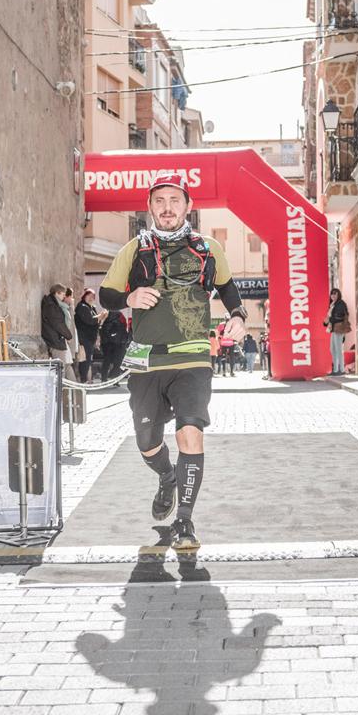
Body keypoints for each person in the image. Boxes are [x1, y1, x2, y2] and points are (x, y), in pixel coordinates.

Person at [99, 172, 246, 549]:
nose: (167, 208)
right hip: (147, 362)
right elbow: (107, 295)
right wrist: (129, 299)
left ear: (188, 206)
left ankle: (184, 521)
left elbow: (229, 289)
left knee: (190, 433)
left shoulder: (208, 247)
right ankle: (167, 476)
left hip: (194, 359)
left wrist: (238, 317)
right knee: (147, 442)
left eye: (174, 200)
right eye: (160, 201)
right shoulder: (135, 248)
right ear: (150, 207)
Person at [40, 284, 74, 372]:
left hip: (56, 339)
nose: (64, 296)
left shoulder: (54, 303)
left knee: (62, 367)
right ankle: (59, 385)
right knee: (60, 369)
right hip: (55, 340)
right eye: (63, 294)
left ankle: (63, 385)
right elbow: (58, 323)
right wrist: (69, 336)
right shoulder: (51, 305)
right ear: (57, 293)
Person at [74, 289, 105, 383]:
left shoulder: (91, 307)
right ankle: (83, 380)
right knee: (84, 361)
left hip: (90, 338)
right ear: (84, 296)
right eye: (89, 296)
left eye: (93, 296)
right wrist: (100, 315)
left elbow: (96, 323)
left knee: (88, 361)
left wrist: (100, 317)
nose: (91, 298)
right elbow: (90, 320)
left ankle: (86, 380)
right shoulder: (82, 307)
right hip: (84, 338)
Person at [99, 308, 128, 383]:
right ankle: (115, 379)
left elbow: (104, 330)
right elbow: (123, 329)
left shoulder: (106, 315)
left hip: (108, 343)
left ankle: (104, 378)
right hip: (118, 343)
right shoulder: (120, 315)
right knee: (117, 362)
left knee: (107, 361)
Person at [326, 288, 350, 376]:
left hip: (339, 329)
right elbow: (330, 317)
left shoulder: (341, 303)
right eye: (332, 294)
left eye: (335, 294)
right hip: (333, 329)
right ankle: (335, 369)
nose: (333, 295)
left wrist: (331, 319)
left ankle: (341, 369)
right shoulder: (332, 304)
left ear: (338, 294)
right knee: (332, 349)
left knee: (339, 349)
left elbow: (339, 316)